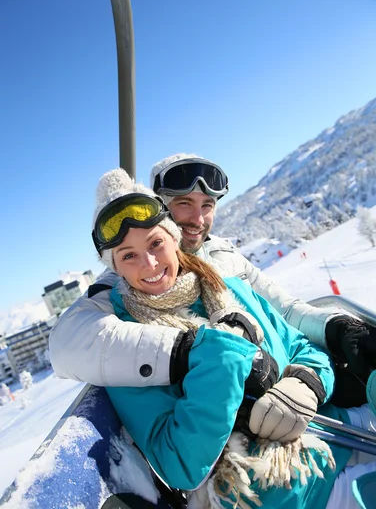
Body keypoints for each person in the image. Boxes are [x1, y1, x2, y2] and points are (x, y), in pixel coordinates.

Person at [90, 169, 376, 509]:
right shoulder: (127, 345)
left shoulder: (222, 287)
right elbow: (181, 464)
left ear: (173, 239)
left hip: (327, 438)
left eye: (155, 244)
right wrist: (220, 354)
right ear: (114, 266)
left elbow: (301, 347)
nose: (149, 264)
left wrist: (305, 384)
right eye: (128, 256)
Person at [49, 154, 376, 406]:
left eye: (208, 205)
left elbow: (285, 310)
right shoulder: (133, 276)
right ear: (158, 208)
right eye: (184, 204)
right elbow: (67, 345)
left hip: (293, 377)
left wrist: (336, 327)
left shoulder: (222, 256)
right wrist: (191, 351)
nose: (198, 219)